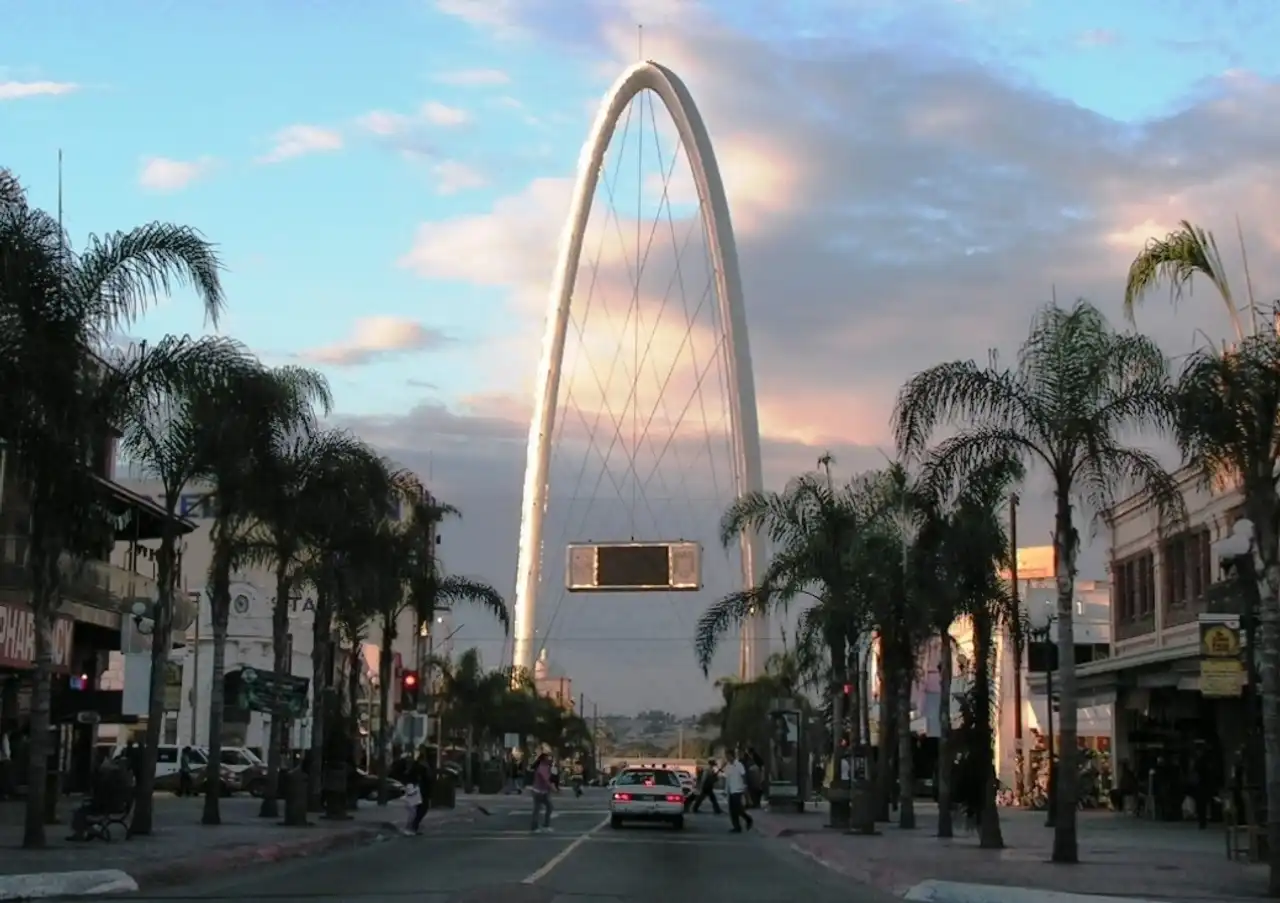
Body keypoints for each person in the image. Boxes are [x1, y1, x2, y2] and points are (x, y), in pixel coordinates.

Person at [407, 750, 436, 834]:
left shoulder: (419, 766)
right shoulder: (421, 767)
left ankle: (413, 826)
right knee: (421, 808)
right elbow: (425, 779)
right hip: (421, 790)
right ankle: (413, 826)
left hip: (419, 790)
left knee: (418, 809)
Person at [724, 749, 753, 833]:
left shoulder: (739, 765)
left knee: (738, 809)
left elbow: (744, 775)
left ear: (732, 756)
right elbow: (727, 779)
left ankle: (748, 819)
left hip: (738, 789)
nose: (727, 758)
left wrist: (745, 786)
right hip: (731, 790)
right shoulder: (728, 766)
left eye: (728, 756)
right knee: (732, 810)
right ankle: (736, 827)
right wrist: (726, 791)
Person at [530, 752, 555, 833]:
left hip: (543, 792)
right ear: (544, 760)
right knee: (537, 809)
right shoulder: (542, 768)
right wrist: (552, 788)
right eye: (548, 758)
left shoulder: (546, 767)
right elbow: (546, 780)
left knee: (549, 807)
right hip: (538, 792)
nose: (549, 760)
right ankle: (535, 827)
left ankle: (545, 825)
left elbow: (548, 779)